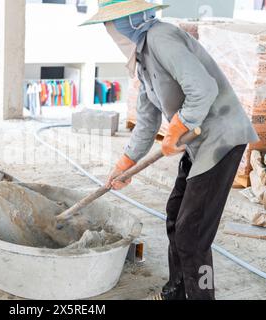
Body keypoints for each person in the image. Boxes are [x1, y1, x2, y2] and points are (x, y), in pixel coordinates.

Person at [81, 0, 259, 300]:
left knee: (193, 234)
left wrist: (179, 126)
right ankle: (176, 293)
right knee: (175, 217)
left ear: (132, 18)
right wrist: (125, 163)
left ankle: (201, 296)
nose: (111, 29)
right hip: (198, 145)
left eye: (113, 21)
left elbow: (203, 88)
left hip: (221, 140)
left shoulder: (161, 38)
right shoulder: (143, 58)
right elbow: (147, 122)